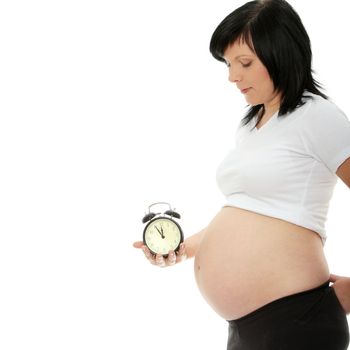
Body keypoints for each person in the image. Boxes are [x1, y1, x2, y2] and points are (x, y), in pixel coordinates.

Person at [134, 0, 350, 348]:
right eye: (229, 64)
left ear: (280, 53)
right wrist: (180, 248)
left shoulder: (319, 117)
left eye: (244, 63)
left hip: (297, 321)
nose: (233, 76)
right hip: (246, 328)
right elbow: (249, 210)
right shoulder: (252, 125)